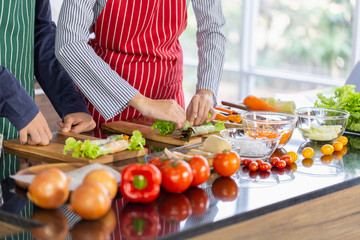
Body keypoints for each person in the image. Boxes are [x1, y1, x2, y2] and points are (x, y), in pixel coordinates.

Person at [55, 0, 226, 135]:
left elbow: (212, 28)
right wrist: (143, 102)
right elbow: (70, 43)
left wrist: (206, 90)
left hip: (169, 103)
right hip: (106, 98)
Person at [0, 0, 96, 180]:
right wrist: (12, 98)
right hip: (23, 113)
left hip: (21, 133)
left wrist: (71, 102)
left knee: (20, 200)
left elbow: (40, 34)